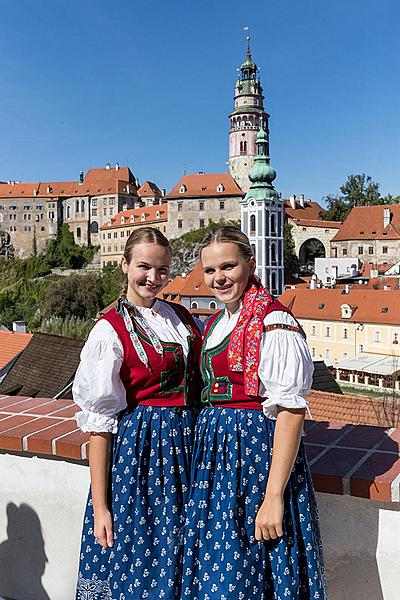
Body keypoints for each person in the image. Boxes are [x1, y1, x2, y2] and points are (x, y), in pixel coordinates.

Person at [182, 226, 327, 600]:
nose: (219, 278)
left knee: (256, 565)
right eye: (210, 271)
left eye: (228, 266)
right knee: (219, 563)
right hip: (216, 460)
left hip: (255, 457)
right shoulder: (217, 322)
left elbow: (291, 411)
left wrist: (274, 495)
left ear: (251, 263)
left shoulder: (274, 323)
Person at [73, 227, 202, 600]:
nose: (153, 278)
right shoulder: (107, 331)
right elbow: (100, 424)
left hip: (189, 450)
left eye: (162, 270)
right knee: (142, 560)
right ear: (125, 265)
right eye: (144, 267)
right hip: (142, 458)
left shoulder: (178, 315)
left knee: (183, 558)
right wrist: (101, 507)